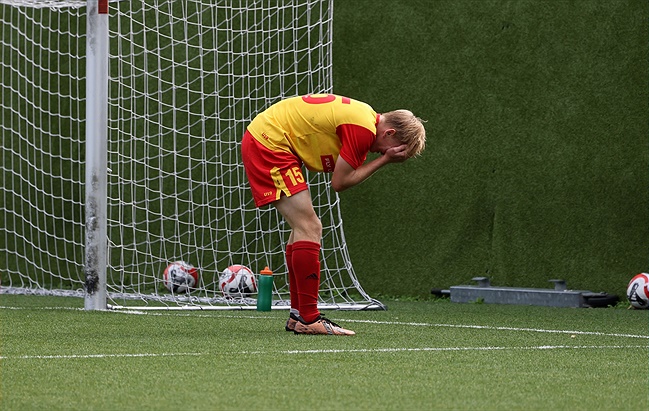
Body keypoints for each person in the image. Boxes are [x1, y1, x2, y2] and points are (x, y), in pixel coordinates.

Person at [241, 94, 426, 335]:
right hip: (270, 143)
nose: (386, 153)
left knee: (303, 227)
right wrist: (385, 161)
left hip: (267, 138)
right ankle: (309, 318)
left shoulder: (364, 117)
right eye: (395, 150)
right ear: (389, 133)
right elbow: (339, 182)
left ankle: (299, 316)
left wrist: (385, 156)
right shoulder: (363, 129)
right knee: (310, 227)